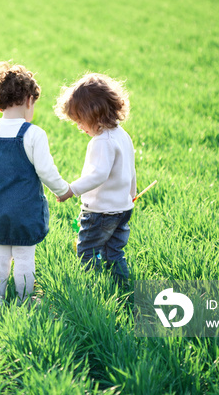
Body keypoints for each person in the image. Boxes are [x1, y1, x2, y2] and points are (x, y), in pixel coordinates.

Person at [0, 61, 70, 304]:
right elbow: (47, 171)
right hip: (25, 211)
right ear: (28, 100)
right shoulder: (34, 134)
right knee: (24, 257)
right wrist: (62, 190)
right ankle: (24, 300)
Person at [55, 73, 136, 287]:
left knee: (87, 251)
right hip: (122, 209)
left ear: (95, 115)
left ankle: (91, 288)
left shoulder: (102, 141)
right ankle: (122, 286)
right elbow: (130, 169)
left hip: (100, 212)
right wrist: (131, 194)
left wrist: (71, 190)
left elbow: (98, 175)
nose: (80, 127)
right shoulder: (122, 135)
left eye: (81, 121)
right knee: (114, 251)